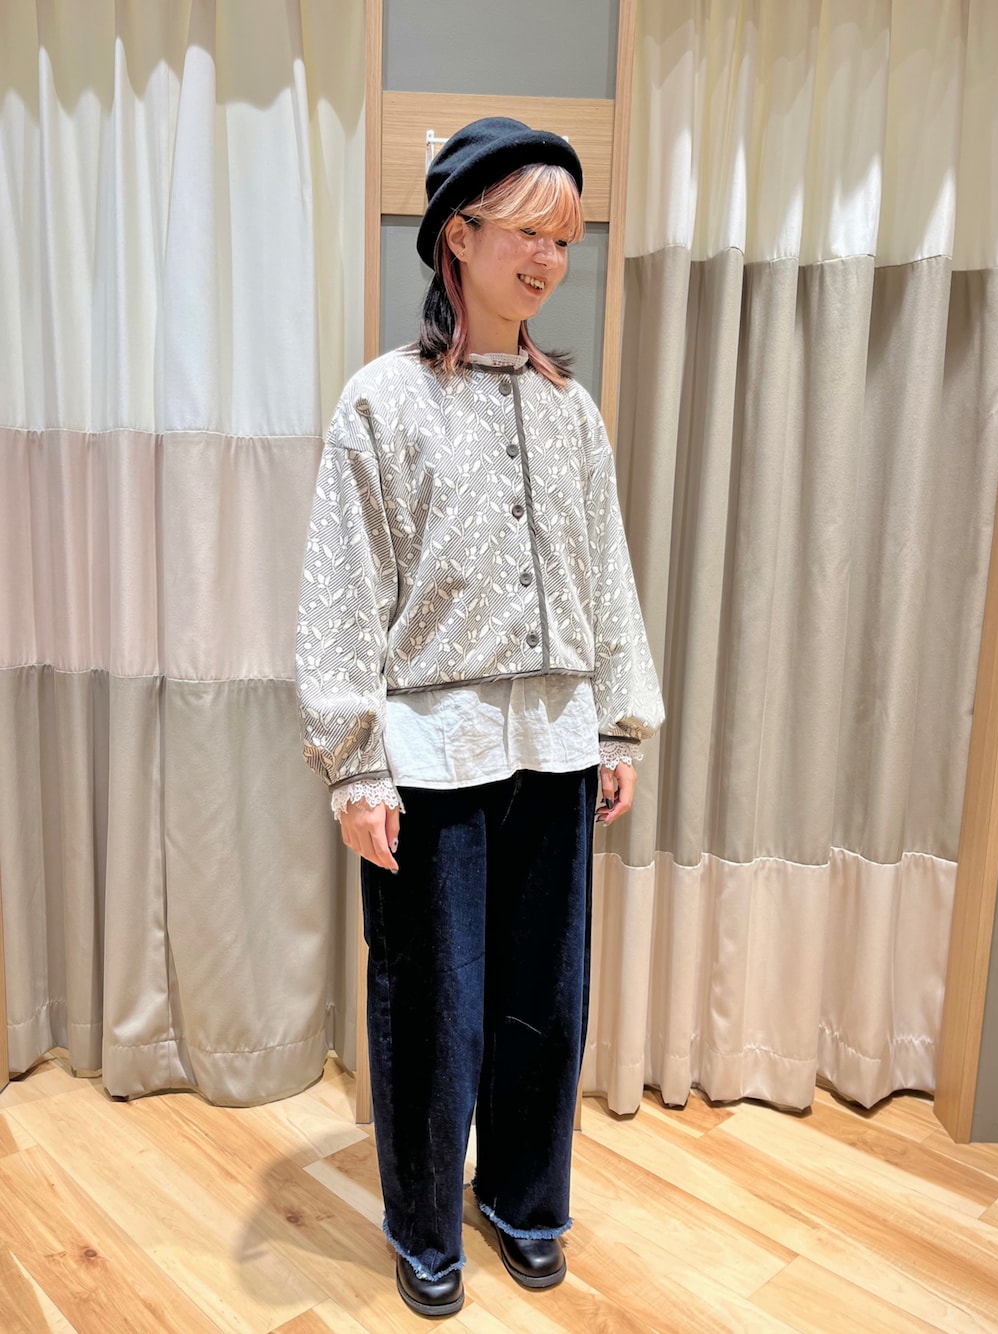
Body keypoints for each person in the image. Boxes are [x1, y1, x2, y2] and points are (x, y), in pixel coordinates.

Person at [296, 117, 664, 1319]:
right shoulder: (381, 402)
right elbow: (344, 588)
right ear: (457, 235)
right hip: (428, 757)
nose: (550, 258)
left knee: (542, 1000)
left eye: (565, 237)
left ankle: (520, 1199)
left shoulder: (572, 412)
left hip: (554, 746)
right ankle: (422, 1222)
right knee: (429, 1006)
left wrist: (617, 723)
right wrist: (355, 764)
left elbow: (604, 572)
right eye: (528, 233)